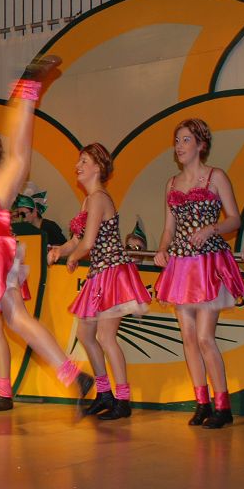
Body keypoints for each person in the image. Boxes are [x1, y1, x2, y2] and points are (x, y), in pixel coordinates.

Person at [0, 60, 93, 413]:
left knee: (13, 319)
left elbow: (14, 159)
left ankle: (27, 90)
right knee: (13, 320)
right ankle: (72, 375)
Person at [153, 118, 244, 429]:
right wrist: (162, 249)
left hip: (207, 263)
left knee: (205, 337)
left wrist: (211, 229)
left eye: (186, 140)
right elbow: (168, 229)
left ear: (201, 145)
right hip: (181, 265)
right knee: (189, 337)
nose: (179, 146)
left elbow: (235, 219)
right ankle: (202, 402)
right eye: (177, 140)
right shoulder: (171, 183)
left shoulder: (215, 176)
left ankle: (223, 406)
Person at [48, 143, 150, 420]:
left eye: (84, 161)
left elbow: (88, 243)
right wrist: (60, 251)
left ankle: (123, 399)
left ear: (98, 167)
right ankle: (104, 394)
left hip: (113, 272)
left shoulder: (99, 198)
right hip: (100, 273)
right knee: (85, 334)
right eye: (78, 161)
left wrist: (74, 256)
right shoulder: (88, 201)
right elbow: (76, 241)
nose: (78, 166)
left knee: (105, 336)